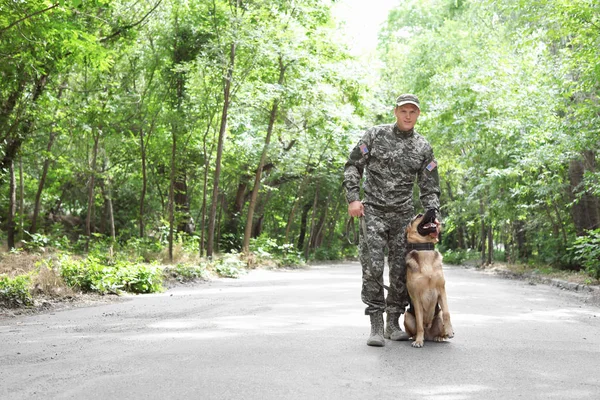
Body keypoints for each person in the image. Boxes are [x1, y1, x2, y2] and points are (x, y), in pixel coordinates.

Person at [343, 94, 441, 347]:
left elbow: (429, 187)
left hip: (404, 217)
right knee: (373, 268)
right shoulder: (375, 135)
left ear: (418, 115)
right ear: (395, 112)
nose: (408, 116)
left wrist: (433, 217)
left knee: (400, 271)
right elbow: (353, 166)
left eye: (413, 112)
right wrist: (353, 198)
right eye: (404, 111)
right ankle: (375, 324)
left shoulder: (423, 146)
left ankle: (393, 323)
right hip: (372, 211)